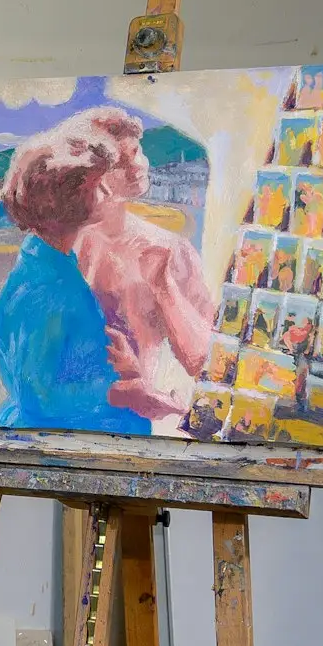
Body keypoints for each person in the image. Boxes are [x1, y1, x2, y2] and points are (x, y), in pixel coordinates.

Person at [0, 124, 160, 434]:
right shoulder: (48, 288)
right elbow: (39, 397)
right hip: (59, 438)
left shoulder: (47, 263)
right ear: (68, 201)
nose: (107, 192)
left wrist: (117, 364)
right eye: (98, 186)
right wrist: (119, 392)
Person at [71, 108, 215, 419]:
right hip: (79, 412)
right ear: (91, 176)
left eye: (136, 152)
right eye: (119, 163)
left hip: (142, 418)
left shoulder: (168, 249)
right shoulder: (68, 246)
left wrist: (163, 286)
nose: (137, 166)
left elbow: (203, 361)